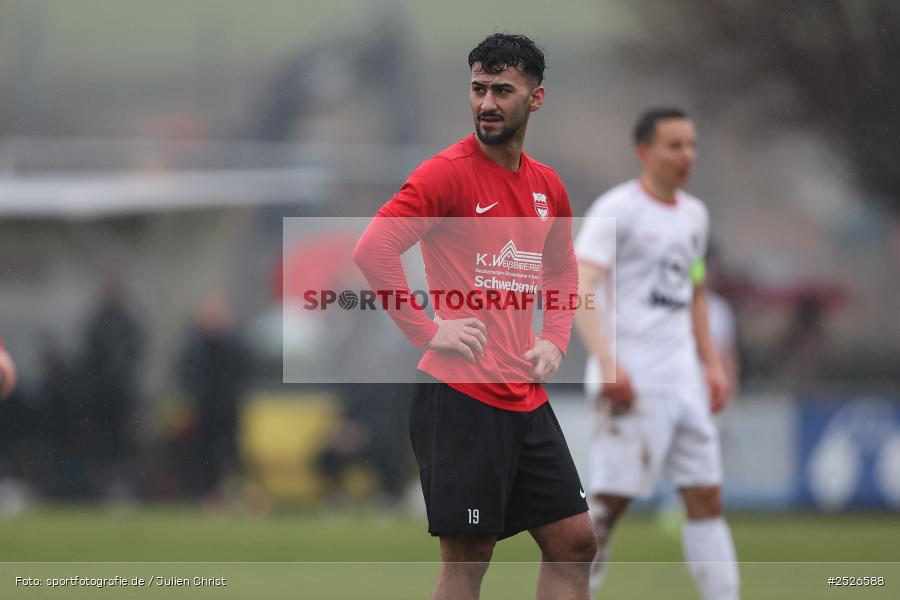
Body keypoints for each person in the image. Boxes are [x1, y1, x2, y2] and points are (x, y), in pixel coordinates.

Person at [354, 33, 596, 600]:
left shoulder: (547, 186)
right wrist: (428, 329)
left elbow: (563, 269)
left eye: (502, 90)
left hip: (524, 395)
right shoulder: (446, 174)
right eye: (478, 88)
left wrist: (555, 338)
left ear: (535, 98)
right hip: (460, 396)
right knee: (469, 556)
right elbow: (374, 249)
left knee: (575, 541)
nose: (486, 102)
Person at [574, 108, 739, 599]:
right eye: (674, 145)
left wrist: (711, 365)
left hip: (684, 381)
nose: (686, 155)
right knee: (608, 506)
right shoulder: (617, 210)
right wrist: (607, 362)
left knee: (707, 497)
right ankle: (574, 592)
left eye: (691, 145)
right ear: (644, 151)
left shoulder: (695, 215)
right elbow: (580, 287)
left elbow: (696, 291)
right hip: (632, 378)